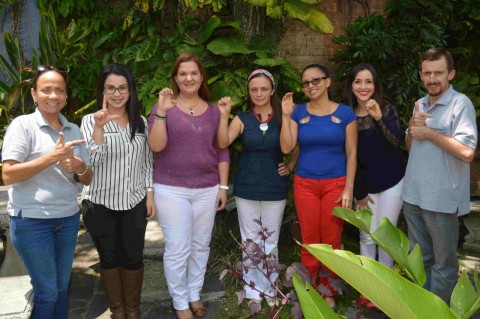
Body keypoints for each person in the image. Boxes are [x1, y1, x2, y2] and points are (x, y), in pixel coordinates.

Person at [2, 65, 93, 318]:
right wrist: (52, 158)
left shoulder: (73, 130)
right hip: (32, 221)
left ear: (65, 96)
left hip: (67, 218)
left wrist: (79, 165)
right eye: (46, 90)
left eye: (59, 90)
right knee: (47, 291)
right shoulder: (23, 126)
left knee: (62, 288)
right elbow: (8, 174)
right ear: (34, 94)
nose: (53, 95)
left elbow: (87, 178)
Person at [148, 53, 230, 319]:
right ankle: (180, 300)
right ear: (175, 78)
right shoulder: (163, 108)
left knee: (200, 245)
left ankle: (194, 293)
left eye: (193, 73)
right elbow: (156, 146)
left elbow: (222, 150)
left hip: (207, 188)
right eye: (182, 73)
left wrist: (223, 188)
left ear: (201, 77)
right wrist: (161, 113)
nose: (188, 78)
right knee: (177, 246)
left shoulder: (214, 111)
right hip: (171, 189)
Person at [402, 48, 477, 305]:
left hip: (441, 200)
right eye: (427, 73)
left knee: (444, 266)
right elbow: (411, 149)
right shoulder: (420, 104)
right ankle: (422, 309)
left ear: (451, 74)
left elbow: (467, 152)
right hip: (413, 197)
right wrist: (413, 128)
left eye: (439, 73)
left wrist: (430, 133)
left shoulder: (461, 104)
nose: (432, 78)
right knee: (420, 261)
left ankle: (439, 313)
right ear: (421, 75)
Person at [80, 64, 154, 318]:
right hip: (100, 203)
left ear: (130, 91)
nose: (117, 93)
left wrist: (149, 194)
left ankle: (132, 310)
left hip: (134, 201)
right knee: (109, 259)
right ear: (102, 91)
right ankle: (117, 311)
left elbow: (146, 162)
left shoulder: (140, 122)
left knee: (133, 257)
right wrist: (99, 128)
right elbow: (91, 164)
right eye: (110, 88)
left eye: (122, 88)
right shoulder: (89, 121)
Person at [280, 64, 357, 308]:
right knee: (310, 238)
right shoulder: (297, 112)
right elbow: (286, 148)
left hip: (336, 183)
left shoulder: (345, 113)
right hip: (305, 184)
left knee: (332, 239)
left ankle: (329, 289)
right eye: (305, 83)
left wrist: (349, 188)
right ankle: (309, 286)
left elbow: (352, 153)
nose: (311, 86)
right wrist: (284, 115)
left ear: (327, 82)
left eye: (316, 81)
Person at [216, 69, 290, 310]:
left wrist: (291, 166)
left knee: (270, 240)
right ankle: (252, 288)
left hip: (274, 188)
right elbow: (223, 142)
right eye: (254, 89)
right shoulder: (243, 118)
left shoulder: (282, 117)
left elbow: (292, 147)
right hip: (247, 187)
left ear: (272, 90)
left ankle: (270, 288)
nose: (259, 93)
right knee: (250, 241)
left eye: (264, 89)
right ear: (249, 92)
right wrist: (224, 115)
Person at [345, 63, 406, 268]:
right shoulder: (347, 115)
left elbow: (396, 143)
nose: (363, 86)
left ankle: (386, 288)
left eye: (368, 81)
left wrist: (378, 118)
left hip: (392, 181)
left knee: (386, 236)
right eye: (358, 81)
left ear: (375, 84)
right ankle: (368, 287)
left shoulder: (386, 108)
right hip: (365, 185)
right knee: (367, 236)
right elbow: (349, 156)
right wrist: (359, 192)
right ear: (351, 85)